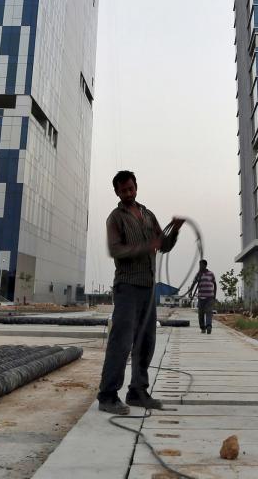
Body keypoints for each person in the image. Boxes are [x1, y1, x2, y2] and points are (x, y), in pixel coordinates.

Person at [97, 169, 182, 415]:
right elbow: (115, 250)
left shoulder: (148, 214)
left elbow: (163, 245)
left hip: (147, 287)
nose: (128, 193)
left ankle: (137, 391)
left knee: (146, 342)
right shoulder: (115, 218)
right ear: (117, 192)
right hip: (126, 287)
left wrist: (174, 230)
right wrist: (147, 245)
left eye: (131, 188)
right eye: (123, 190)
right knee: (121, 342)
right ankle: (107, 395)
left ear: (136, 187)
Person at [186, 258, 218, 334]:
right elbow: (194, 283)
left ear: (205, 265)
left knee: (209, 312)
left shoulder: (211, 274)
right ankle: (203, 327)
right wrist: (190, 291)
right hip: (201, 297)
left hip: (210, 297)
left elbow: (215, 284)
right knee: (200, 314)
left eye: (201, 265)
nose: (200, 266)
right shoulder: (198, 274)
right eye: (199, 265)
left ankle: (209, 326)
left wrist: (214, 295)